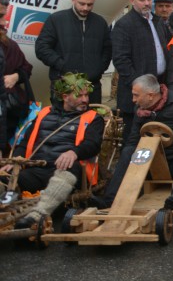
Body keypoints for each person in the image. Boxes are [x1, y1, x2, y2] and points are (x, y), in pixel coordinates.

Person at [9, 73, 104, 228]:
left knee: (67, 169)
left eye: (86, 95)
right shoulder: (44, 113)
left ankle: (36, 215)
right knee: (6, 178)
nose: (85, 100)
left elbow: (93, 144)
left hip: (66, 169)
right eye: (79, 95)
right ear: (65, 97)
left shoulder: (93, 118)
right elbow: (24, 143)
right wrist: (15, 162)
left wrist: (74, 152)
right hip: (36, 169)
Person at [96, 75, 173, 210]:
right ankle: (110, 200)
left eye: (136, 95)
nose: (133, 100)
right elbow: (133, 140)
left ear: (151, 96)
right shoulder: (140, 110)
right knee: (128, 151)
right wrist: (132, 157)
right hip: (150, 159)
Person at [35, 0, 111, 104]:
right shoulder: (56, 20)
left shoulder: (100, 23)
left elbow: (107, 49)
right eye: (82, 3)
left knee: (93, 122)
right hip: (64, 86)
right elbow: (41, 48)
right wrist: (62, 65)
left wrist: (99, 68)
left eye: (90, 4)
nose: (86, 8)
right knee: (63, 122)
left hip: (92, 87)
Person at [112, 0, 171, 141]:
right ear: (132, 1)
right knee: (133, 138)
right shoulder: (124, 25)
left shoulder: (157, 22)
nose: (147, 3)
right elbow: (121, 60)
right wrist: (139, 86)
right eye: (142, 0)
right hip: (137, 94)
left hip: (158, 89)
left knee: (155, 137)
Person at [1, 0, 33, 150]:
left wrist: (16, 76)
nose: (4, 22)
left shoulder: (9, 45)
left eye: (4, 16)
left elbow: (27, 67)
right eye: (1, 16)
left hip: (7, 109)